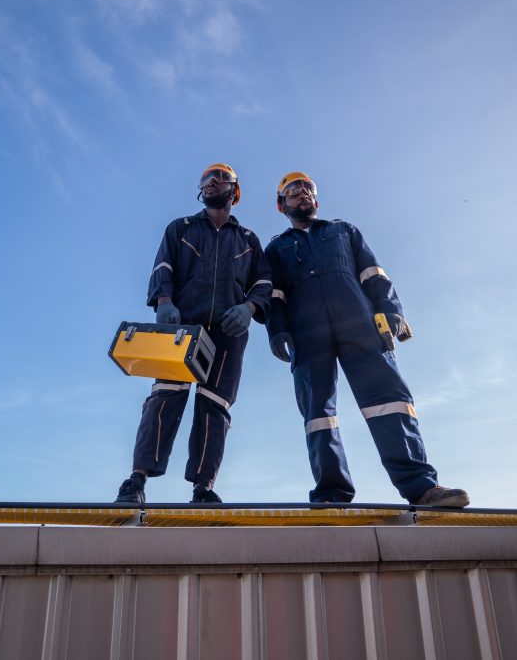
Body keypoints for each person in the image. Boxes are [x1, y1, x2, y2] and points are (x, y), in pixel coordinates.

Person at [264, 171, 469, 507]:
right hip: (307, 332)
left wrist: (392, 311)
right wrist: (277, 330)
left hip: (359, 325)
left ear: (315, 199)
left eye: (307, 188)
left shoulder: (343, 231)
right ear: (280, 204)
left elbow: (373, 273)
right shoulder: (276, 248)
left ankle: (421, 488)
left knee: (390, 401)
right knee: (319, 414)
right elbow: (274, 295)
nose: (301, 192)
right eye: (292, 190)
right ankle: (332, 495)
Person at [114, 163, 272, 504]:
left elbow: (263, 282)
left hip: (228, 334)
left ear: (235, 191)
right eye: (206, 180)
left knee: (215, 407)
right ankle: (136, 482)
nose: (212, 183)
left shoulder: (247, 240)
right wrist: (164, 302)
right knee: (164, 399)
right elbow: (163, 266)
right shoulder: (181, 228)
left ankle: (203, 488)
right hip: (181, 329)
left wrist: (249, 309)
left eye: (220, 178)